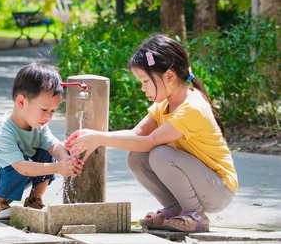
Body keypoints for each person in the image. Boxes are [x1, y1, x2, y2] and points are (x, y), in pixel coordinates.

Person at [65, 34, 238, 232]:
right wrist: (95, 136)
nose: (142, 88)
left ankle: (197, 215)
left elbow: (150, 141)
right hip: (201, 183)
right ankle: (175, 208)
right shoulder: (164, 104)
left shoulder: (193, 108)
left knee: (159, 154)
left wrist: (99, 138)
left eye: (145, 81)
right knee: (136, 157)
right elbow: (137, 134)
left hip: (218, 189)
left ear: (170, 76)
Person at [0, 62, 84, 219]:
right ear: (21, 102)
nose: (48, 116)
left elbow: (54, 145)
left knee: (46, 152)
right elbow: (22, 167)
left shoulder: (37, 125)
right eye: (44, 109)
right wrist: (58, 168)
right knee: (21, 163)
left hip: (18, 171)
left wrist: (67, 161)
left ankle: (34, 199)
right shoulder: (2, 132)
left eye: (53, 110)